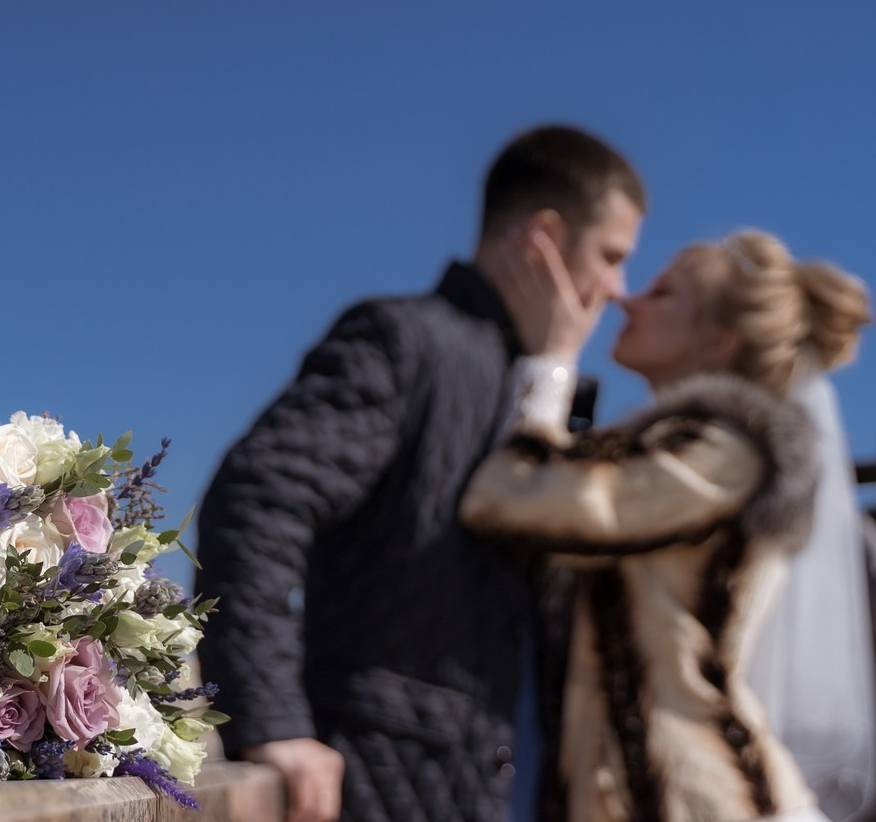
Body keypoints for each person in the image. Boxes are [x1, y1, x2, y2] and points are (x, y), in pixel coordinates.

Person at [194, 124, 645, 822]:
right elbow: (259, 496)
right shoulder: (409, 340)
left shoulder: (534, 385)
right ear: (545, 238)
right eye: (612, 256)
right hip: (380, 777)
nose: (619, 288)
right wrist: (271, 718)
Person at [461, 228, 870, 821]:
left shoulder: (727, 454)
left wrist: (550, 364)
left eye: (661, 293)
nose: (626, 301)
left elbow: (511, 498)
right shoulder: (659, 452)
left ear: (719, 340)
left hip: (694, 798)